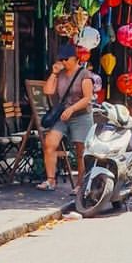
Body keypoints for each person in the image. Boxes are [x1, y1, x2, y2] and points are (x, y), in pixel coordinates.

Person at [38, 41, 99, 190]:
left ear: (75, 58)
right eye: (62, 59)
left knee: (81, 150)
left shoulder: (84, 74)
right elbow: (48, 91)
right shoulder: (61, 74)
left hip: (81, 115)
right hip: (62, 115)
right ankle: (50, 180)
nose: (64, 62)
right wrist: (54, 73)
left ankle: (81, 183)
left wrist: (72, 109)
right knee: (49, 143)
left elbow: (87, 98)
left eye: (67, 59)